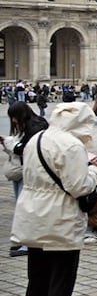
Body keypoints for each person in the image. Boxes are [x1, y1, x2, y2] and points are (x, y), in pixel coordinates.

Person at [11, 102, 97, 296]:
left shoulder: (37, 138)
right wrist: (93, 170)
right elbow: (78, 187)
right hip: (59, 216)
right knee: (62, 274)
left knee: (37, 275)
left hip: (33, 213)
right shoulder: (71, 145)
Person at [7, 102, 49, 257]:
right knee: (24, 206)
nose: (13, 121)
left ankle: (29, 244)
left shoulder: (33, 128)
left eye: (13, 117)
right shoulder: (37, 123)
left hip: (31, 172)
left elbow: (23, 149)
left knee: (26, 207)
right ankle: (25, 242)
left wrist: (9, 144)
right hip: (29, 171)